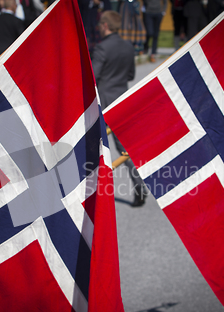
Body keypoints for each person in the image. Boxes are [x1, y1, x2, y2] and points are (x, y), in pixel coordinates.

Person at [92, 10, 147, 206]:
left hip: (103, 105)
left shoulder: (101, 49)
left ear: (105, 25)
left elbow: (92, 78)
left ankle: (89, 194)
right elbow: (131, 75)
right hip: (122, 102)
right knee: (124, 148)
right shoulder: (127, 46)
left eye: (100, 24)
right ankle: (139, 184)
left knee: (92, 148)